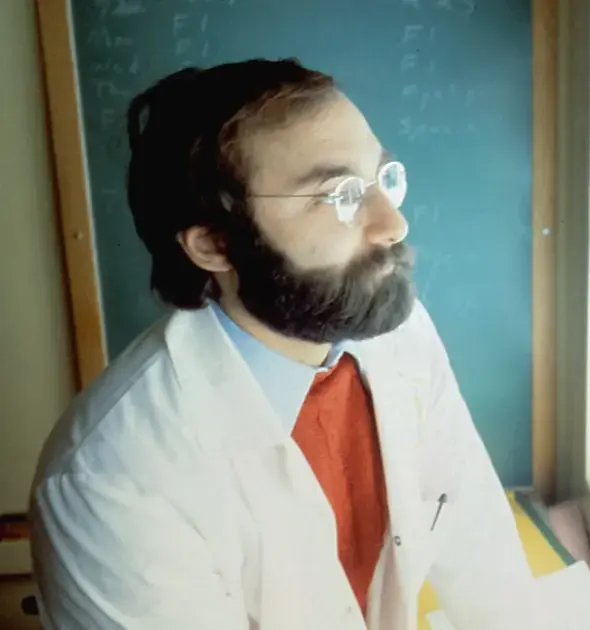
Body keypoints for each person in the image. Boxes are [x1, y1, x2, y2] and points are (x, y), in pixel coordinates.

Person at [29, 58, 549, 630]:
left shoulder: (395, 333)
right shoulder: (112, 483)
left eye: (383, 179)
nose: (393, 224)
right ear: (215, 245)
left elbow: (475, 537)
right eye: (339, 196)